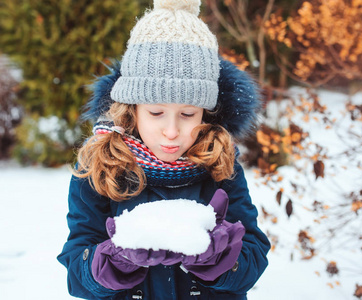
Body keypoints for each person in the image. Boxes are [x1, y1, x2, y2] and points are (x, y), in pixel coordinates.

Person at [57, 0, 270, 299]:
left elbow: (254, 257)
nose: (172, 131)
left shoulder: (221, 165)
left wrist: (219, 259)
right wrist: (112, 261)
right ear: (131, 109)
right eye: (156, 113)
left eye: (188, 114)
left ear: (206, 113)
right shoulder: (99, 168)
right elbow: (76, 274)